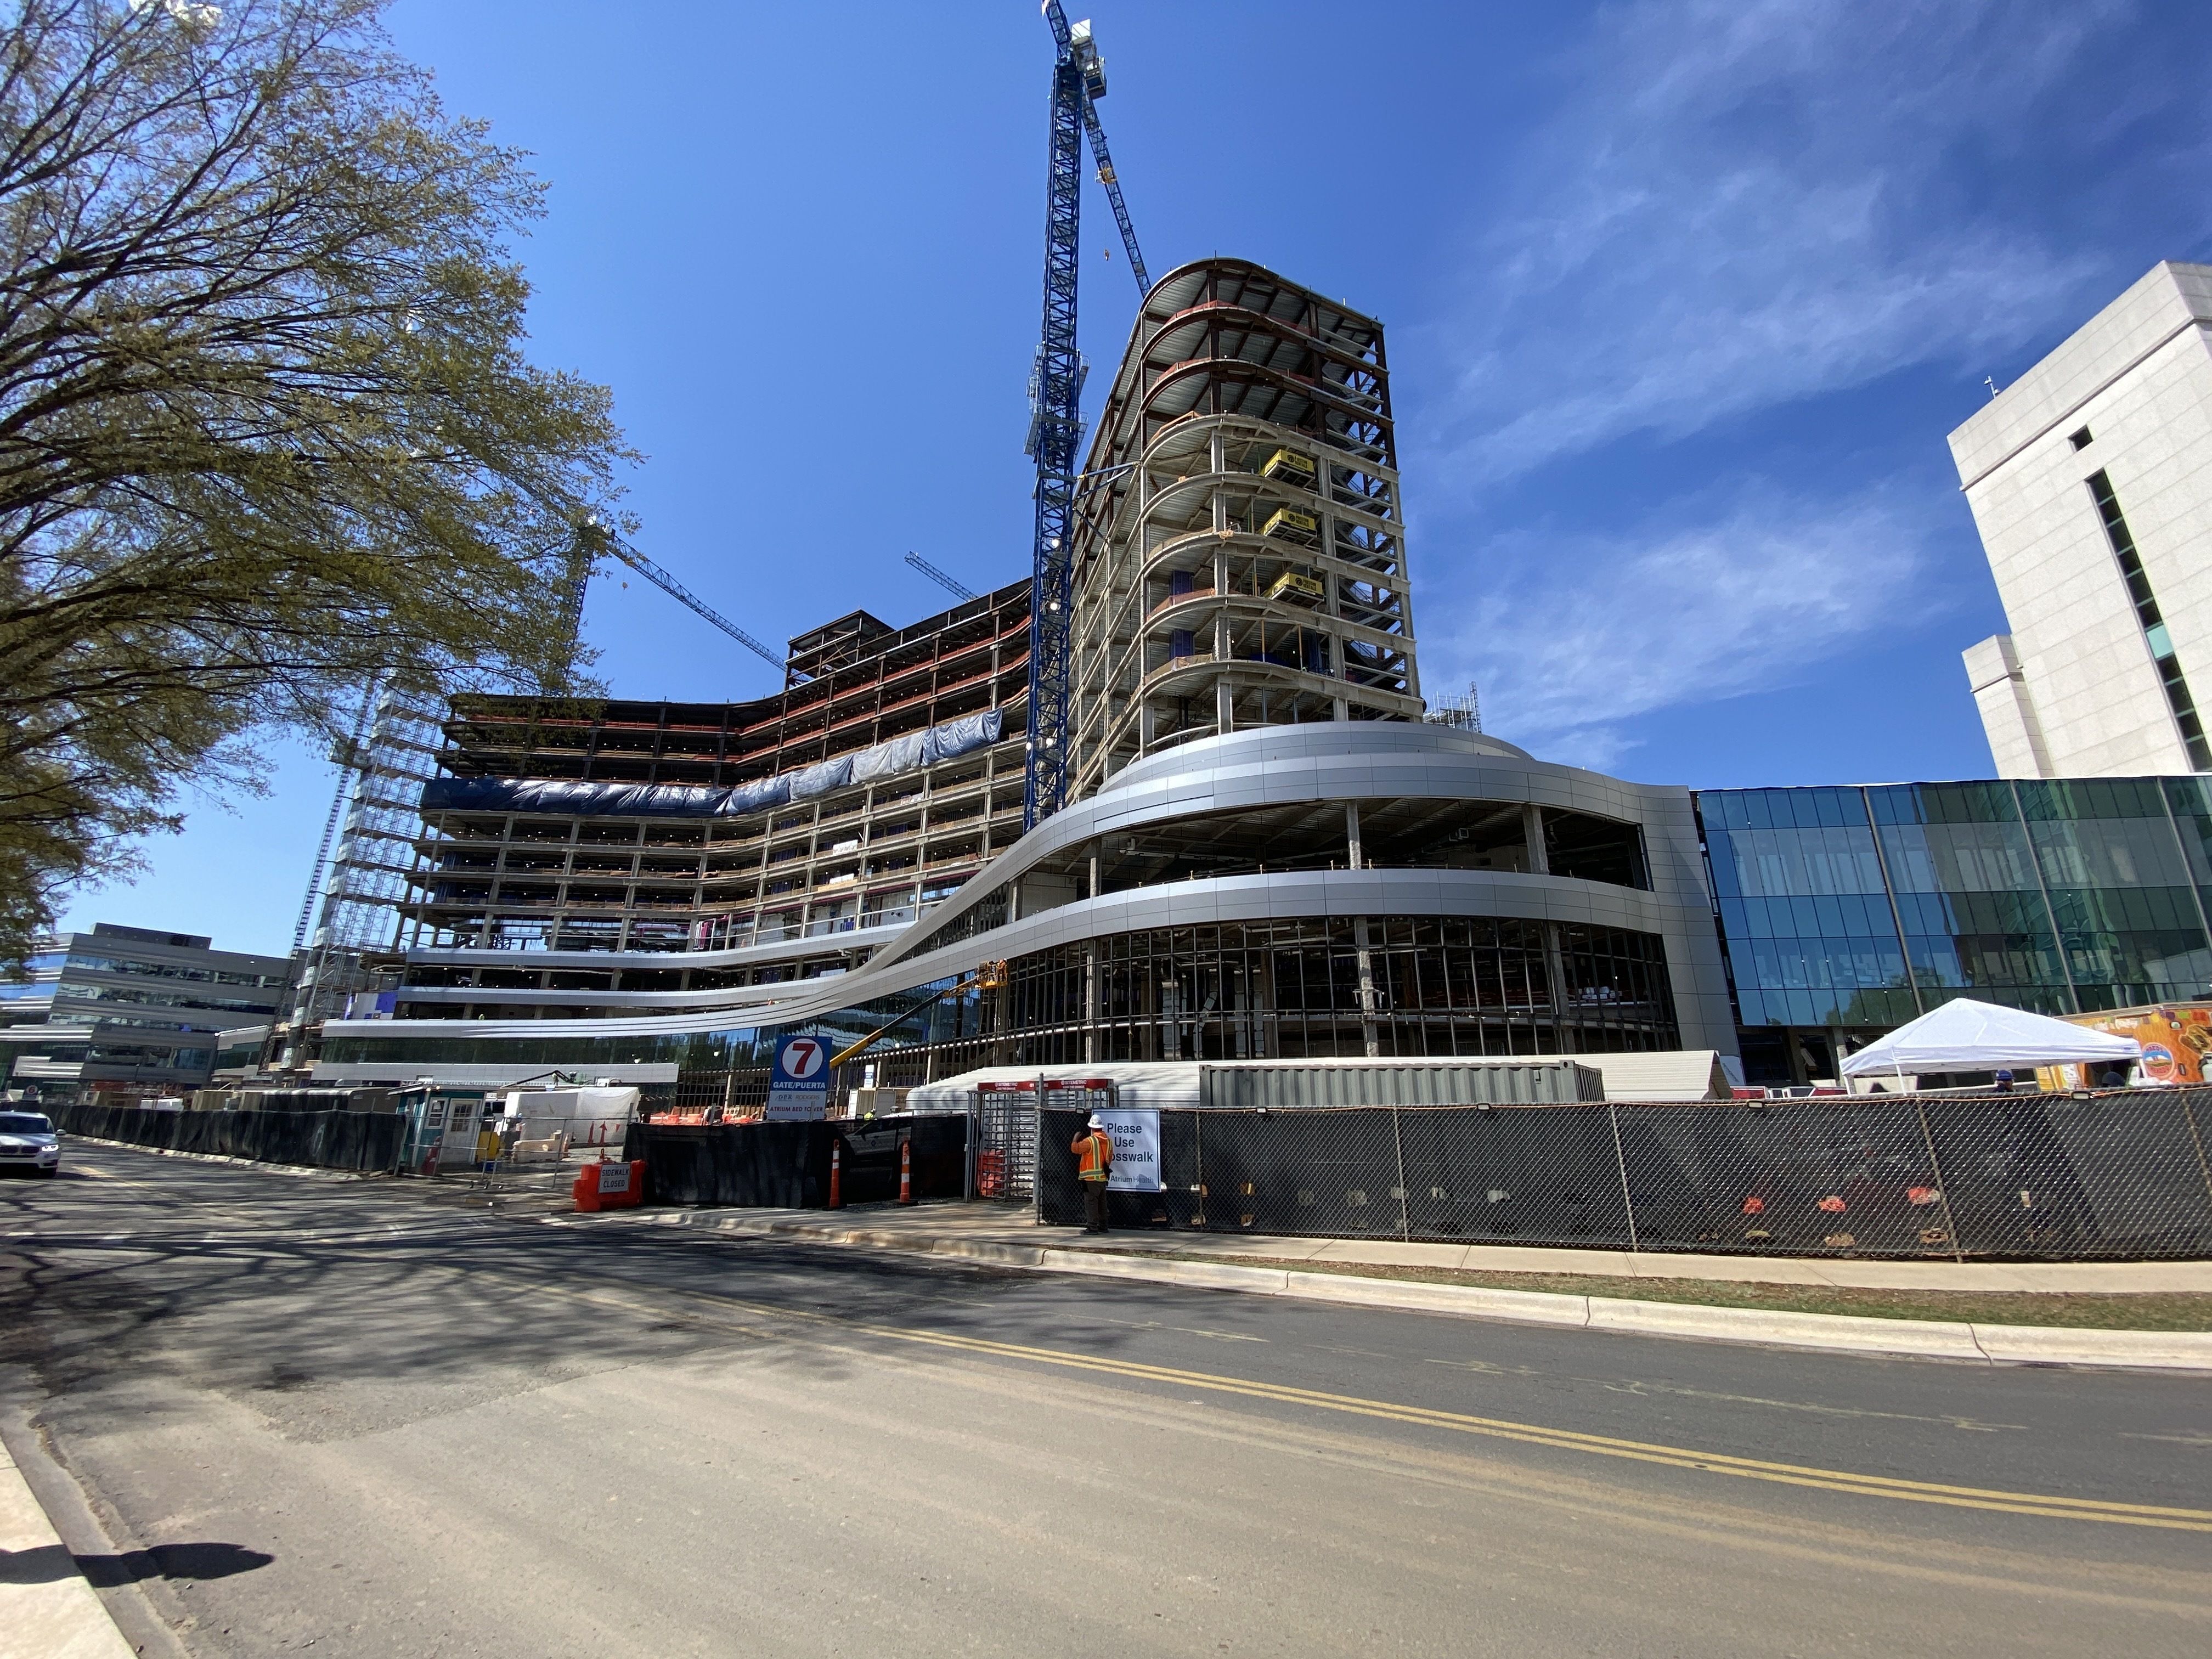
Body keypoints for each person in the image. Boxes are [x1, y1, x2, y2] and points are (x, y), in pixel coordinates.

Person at [1072, 1113, 1114, 1233]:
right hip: (1103, 1177)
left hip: (1090, 1179)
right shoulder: (1109, 1141)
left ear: (1092, 1127)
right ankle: (1104, 1226)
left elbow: (1075, 1149)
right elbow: (1110, 1158)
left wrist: (1075, 1139)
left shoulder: (1089, 1141)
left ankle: (1092, 1227)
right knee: (1102, 1203)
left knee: (1091, 1203)